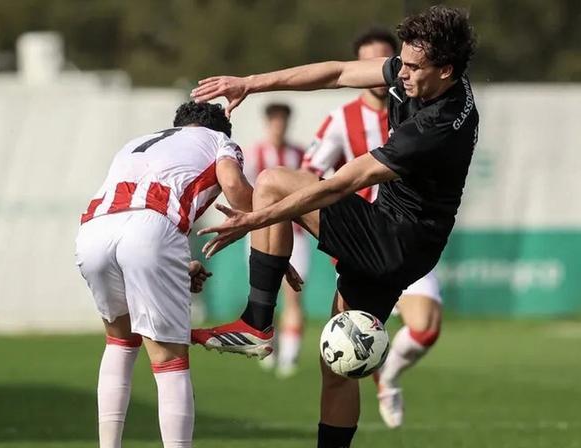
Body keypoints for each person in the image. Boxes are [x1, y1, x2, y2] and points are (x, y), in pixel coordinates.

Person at [191, 6, 478, 448]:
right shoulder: (418, 75)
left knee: (272, 182)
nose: (401, 73)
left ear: (446, 70)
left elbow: (343, 182)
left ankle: (256, 324)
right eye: (400, 61)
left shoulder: (437, 127)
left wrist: (256, 220)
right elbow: (339, 71)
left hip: (395, 238)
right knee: (339, 365)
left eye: (414, 67)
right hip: (403, 240)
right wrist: (251, 83)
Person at [75, 101, 254, 448]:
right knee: (170, 359)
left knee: (120, 341)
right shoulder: (220, 141)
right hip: (152, 228)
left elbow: (129, 218)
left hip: (94, 230)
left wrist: (173, 267)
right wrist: (265, 223)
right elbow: (233, 186)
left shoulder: (138, 140)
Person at [302, 28, 444, 429]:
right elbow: (309, 176)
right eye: (376, 64)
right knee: (341, 364)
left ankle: (388, 374)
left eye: (391, 62)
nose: (392, 74)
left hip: (407, 239)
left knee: (425, 329)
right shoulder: (341, 120)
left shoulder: (423, 108)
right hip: (360, 244)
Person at [244, 102, 310, 377]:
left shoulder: (299, 154)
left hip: (296, 234)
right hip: (260, 234)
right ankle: (265, 345)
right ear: (268, 122)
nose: (279, 125)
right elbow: (242, 191)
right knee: (264, 293)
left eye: (283, 120)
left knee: (293, 296)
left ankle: (290, 357)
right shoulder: (253, 155)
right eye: (275, 120)